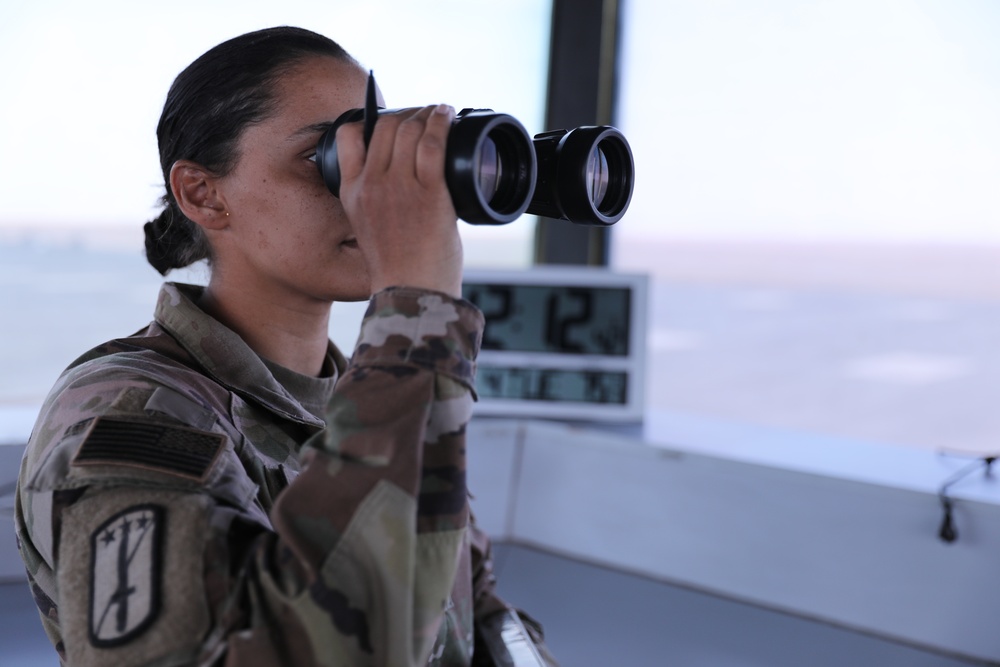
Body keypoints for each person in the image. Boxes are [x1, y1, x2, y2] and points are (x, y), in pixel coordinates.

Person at [14, 26, 555, 667]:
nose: (363, 190)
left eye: (371, 152)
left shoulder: (368, 398)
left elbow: (475, 607)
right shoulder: (132, 412)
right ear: (204, 195)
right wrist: (418, 306)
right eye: (326, 157)